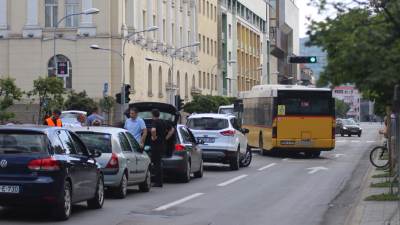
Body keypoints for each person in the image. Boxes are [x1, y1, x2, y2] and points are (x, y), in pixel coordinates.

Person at [150, 109, 167, 187]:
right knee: (159, 163)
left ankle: (157, 182)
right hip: (162, 144)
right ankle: (160, 181)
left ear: (153, 115)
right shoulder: (163, 122)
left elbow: (153, 130)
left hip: (156, 145)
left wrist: (154, 137)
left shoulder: (155, 122)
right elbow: (171, 130)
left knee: (156, 163)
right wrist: (166, 138)